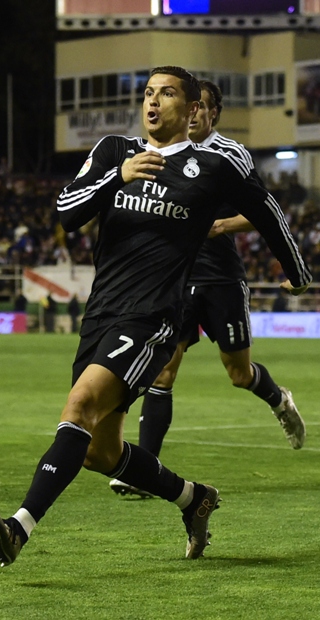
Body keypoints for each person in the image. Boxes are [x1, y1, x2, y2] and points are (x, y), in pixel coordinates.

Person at [0, 66, 310, 567]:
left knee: (79, 407)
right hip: (102, 313)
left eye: (167, 93)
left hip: (154, 319)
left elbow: (266, 211)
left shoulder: (214, 166)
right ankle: (193, 498)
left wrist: (297, 271)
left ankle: (19, 528)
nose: (153, 102)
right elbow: (66, 213)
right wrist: (118, 178)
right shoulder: (115, 151)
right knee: (100, 452)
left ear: (193, 108)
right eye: (149, 93)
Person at [109, 80, 307, 500]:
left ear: (212, 113)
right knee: (164, 371)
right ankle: (142, 472)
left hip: (220, 278)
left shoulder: (230, 154)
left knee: (238, 373)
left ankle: (277, 397)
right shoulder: (163, 154)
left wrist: (219, 225)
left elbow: (262, 213)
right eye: (189, 106)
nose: (193, 114)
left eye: (200, 108)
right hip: (177, 279)